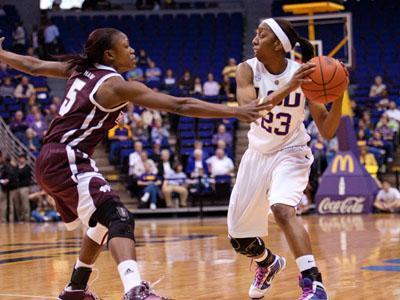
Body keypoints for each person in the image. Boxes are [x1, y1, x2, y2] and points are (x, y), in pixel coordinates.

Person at [0, 28, 269, 300]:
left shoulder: (80, 70)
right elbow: (181, 105)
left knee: (101, 224)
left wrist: (1, 54)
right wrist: (236, 111)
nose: (132, 50)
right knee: (119, 218)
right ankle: (134, 290)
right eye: (126, 46)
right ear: (109, 54)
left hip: (53, 157)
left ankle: (76, 289)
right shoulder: (114, 85)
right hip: (67, 158)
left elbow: (33, 66)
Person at [226, 18, 348, 300]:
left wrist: (339, 94)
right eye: (255, 34)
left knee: (282, 209)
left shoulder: (305, 74)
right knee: (239, 239)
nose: (255, 39)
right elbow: (248, 111)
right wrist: (290, 86)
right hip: (257, 154)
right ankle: (268, 263)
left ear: (279, 45)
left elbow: (328, 130)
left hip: (291, 151)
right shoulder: (247, 70)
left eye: (262, 35)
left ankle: (313, 283)